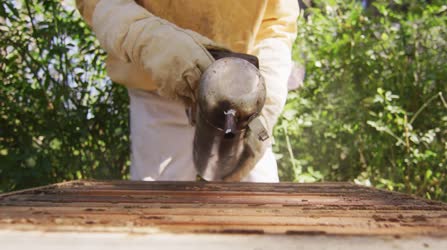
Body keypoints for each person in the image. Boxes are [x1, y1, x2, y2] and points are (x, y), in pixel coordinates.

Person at [75, 0, 299, 182]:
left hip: (240, 91)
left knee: (257, 199)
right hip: (158, 87)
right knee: (159, 207)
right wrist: (154, 41)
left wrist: (265, 100)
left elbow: (277, 22)